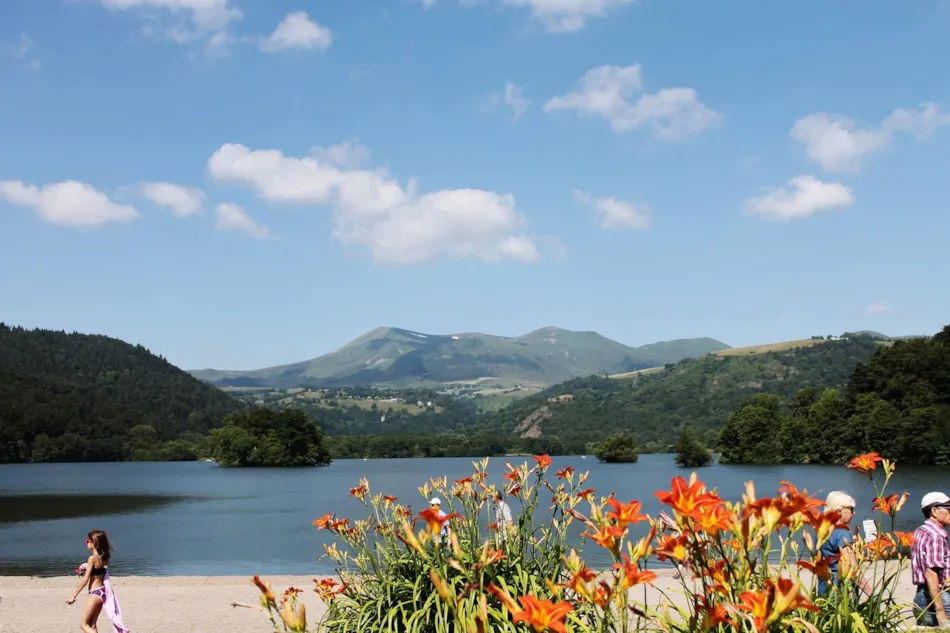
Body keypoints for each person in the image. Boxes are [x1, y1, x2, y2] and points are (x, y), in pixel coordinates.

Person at [67, 529, 130, 633]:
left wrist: (73, 595)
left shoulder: (92, 558)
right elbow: (99, 570)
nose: (86, 542)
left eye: (87, 540)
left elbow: (85, 580)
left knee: (83, 624)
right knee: (92, 625)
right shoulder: (105, 559)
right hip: (102, 592)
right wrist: (87, 567)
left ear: (93, 542)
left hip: (95, 594)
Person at [817, 491, 873, 598]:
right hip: (842, 593)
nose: (853, 513)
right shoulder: (842, 533)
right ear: (839, 511)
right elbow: (853, 569)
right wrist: (871, 594)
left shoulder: (821, 529)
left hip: (823, 589)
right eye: (851, 509)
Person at [912, 492, 950, 627]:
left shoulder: (921, 531)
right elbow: (931, 573)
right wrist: (941, 612)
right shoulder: (936, 536)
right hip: (938, 598)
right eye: (949, 509)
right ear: (934, 511)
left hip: (920, 596)